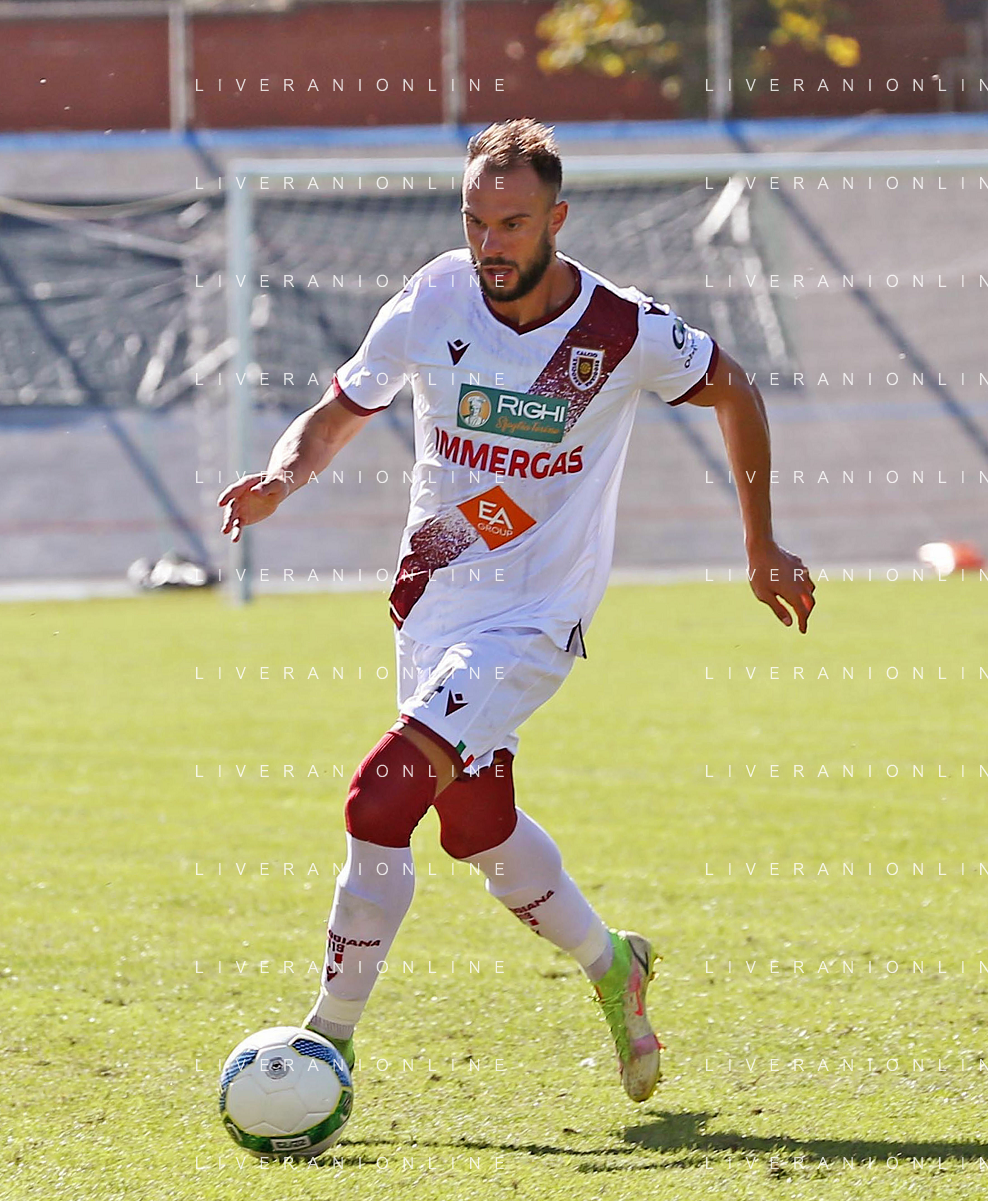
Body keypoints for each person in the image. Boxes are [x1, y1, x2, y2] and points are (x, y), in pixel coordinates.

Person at [217, 117, 815, 1105]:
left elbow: (735, 389)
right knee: (476, 825)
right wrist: (282, 478)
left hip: (536, 617)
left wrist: (761, 546)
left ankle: (325, 1041)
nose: (490, 244)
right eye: (475, 221)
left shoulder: (620, 330)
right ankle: (615, 964)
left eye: (512, 223)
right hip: (433, 595)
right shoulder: (434, 296)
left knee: (379, 798)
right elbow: (340, 410)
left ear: (556, 220)